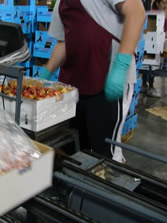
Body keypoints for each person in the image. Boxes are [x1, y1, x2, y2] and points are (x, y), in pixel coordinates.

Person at [41, 0, 146, 163]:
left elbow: (137, 13)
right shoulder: (61, 3)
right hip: (74, 85)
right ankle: (79, 184)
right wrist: (47, 71)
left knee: (104, 149)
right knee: (74, 146)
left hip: (108, 81)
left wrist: (121, 64)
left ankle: (108, 185)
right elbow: (63, 43)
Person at [141, 0, 167, 97]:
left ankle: (149, 85)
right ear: (157, 3)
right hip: (152, 40)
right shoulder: (153, 13)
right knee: (148, 63)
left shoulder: (164, 13)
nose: (165, 5)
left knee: (155, 65)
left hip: (160, 41)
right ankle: (145, 84)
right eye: (163, 3)